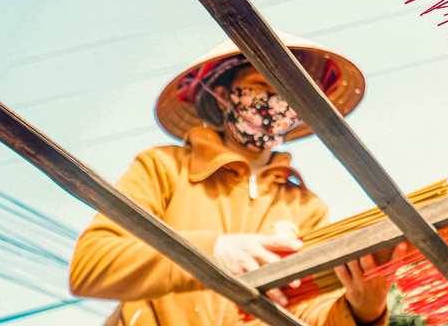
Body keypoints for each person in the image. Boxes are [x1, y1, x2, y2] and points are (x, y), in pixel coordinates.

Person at [69, 33, 403, 326]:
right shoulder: (163, 168)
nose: (275, 100)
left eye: (288, 91)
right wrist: (216, 253)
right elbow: (92, 264)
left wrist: (362, 311)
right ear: (222, 94)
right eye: (260, 85)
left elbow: (304, 310)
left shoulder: (306, 208)